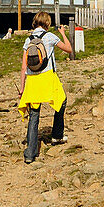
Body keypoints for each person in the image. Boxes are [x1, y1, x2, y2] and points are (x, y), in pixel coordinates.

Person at [17, 11, 73, 163]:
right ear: (47, 23)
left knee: (34, 116)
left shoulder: (28, 40)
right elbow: (69, 49)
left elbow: (23, 67)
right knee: (61, 102)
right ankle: (57, 135)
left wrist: (22, 89)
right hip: (48, 78)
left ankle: (30, 154)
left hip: (33, 82)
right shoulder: (50, 37)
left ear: (35, 22)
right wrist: (62, 33)